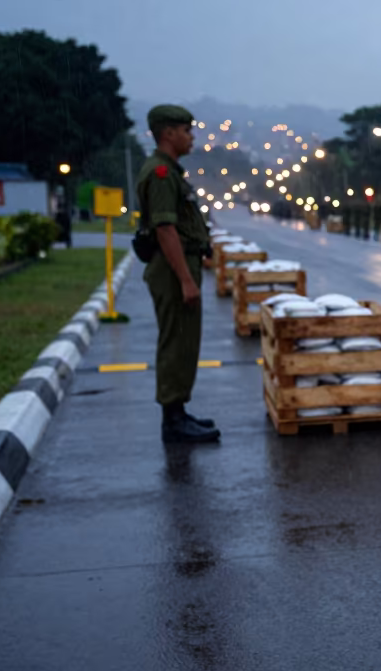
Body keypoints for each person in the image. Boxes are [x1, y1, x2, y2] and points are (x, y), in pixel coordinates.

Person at [135, 104, 219, 443]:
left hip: (178, 266)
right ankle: (172, 419)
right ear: (168, 133)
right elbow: (166, 230)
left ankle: (179, 412)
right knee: (176, 342)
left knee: (184, 342)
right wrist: (185, 279)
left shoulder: (169, 171)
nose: (191, 136)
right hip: (172, 269)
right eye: (186, 130)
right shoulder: (160, 174)